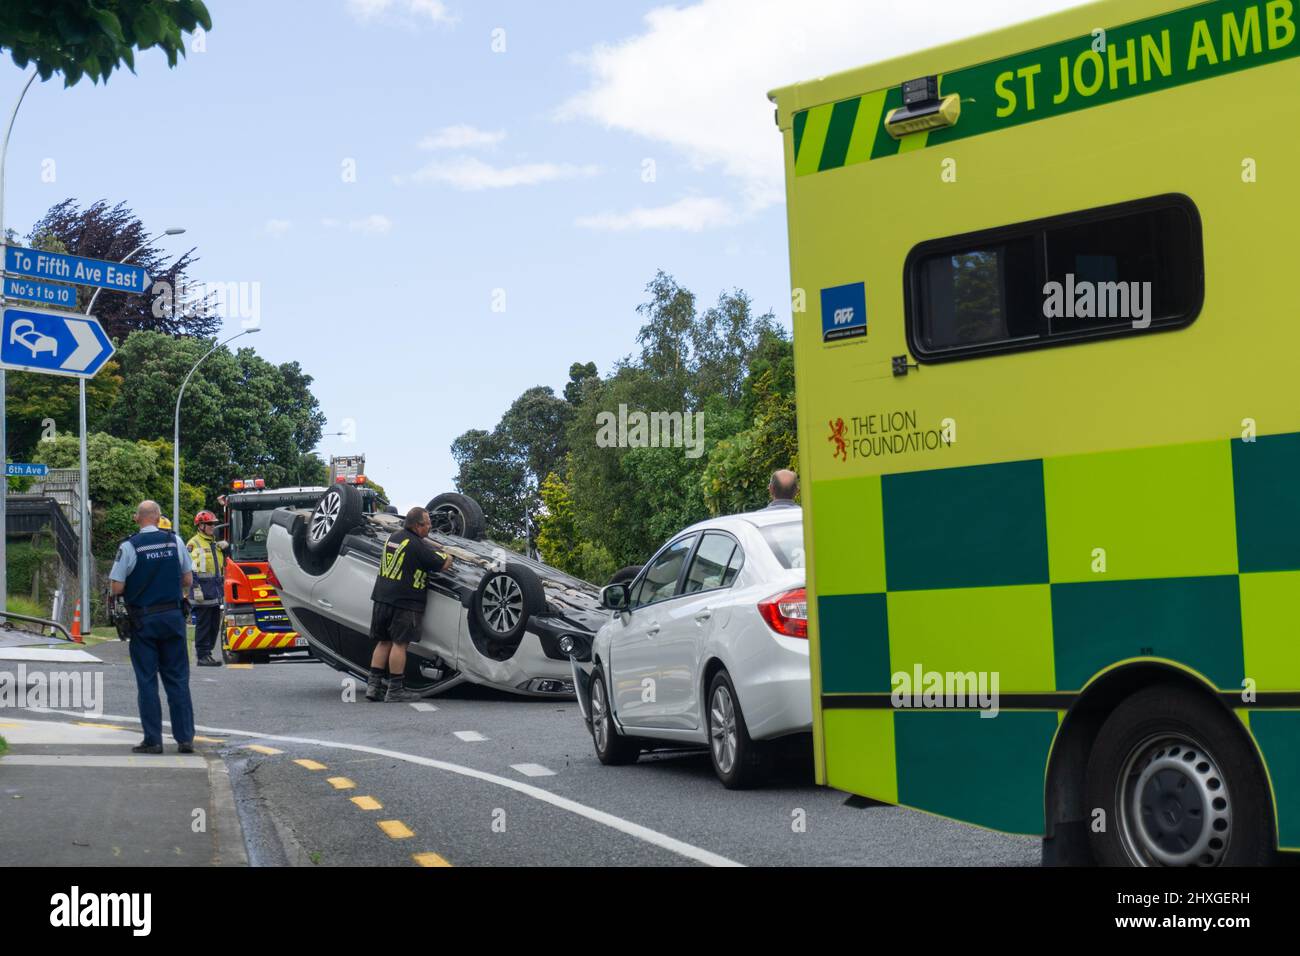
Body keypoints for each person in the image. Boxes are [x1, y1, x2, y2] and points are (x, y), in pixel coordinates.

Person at [108, 500, 196, 754]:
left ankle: (153, 740)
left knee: (147, 681)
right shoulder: (174, 541)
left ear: (137, 518)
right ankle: (185, 738)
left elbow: (117, 587)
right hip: (173, 618)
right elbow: (188, 579)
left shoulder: (129, 546)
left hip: (143, 621)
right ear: (158, 518)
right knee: (178, 679)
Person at [367, 507, 453, 702]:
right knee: (399, 644)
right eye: (427, 524)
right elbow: (444, 564)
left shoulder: (393, 537)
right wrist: (448, 554)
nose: (430, 527)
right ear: (417, 525)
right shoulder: (418, 545)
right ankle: (395, 690)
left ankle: (374, 687)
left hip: (381, 597)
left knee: (383, 642)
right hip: (405, 602)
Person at [187, 509, 228, 667]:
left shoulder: (214, 544)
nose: (213, 526)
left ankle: (207, 653)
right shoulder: (194, 543)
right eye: (210, 524)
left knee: (214, 626)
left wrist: (227, 549)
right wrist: (196, 588)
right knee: (204, 626)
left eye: (214, 524)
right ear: (201, 525)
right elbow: (190, 568)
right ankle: (202, 655)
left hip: (215, 593)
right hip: (201, 593)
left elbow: (220, 567)